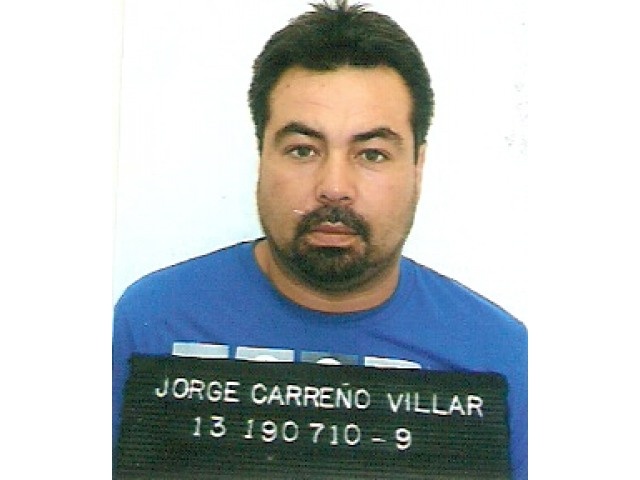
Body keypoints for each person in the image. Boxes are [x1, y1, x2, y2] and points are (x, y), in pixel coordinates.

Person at [113, 1, 527, 477]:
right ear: (262, 155)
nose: (334, 186)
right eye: (303, 150)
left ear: (417, 165)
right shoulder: (151, 324)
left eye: (371, 154)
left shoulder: (500, 357)